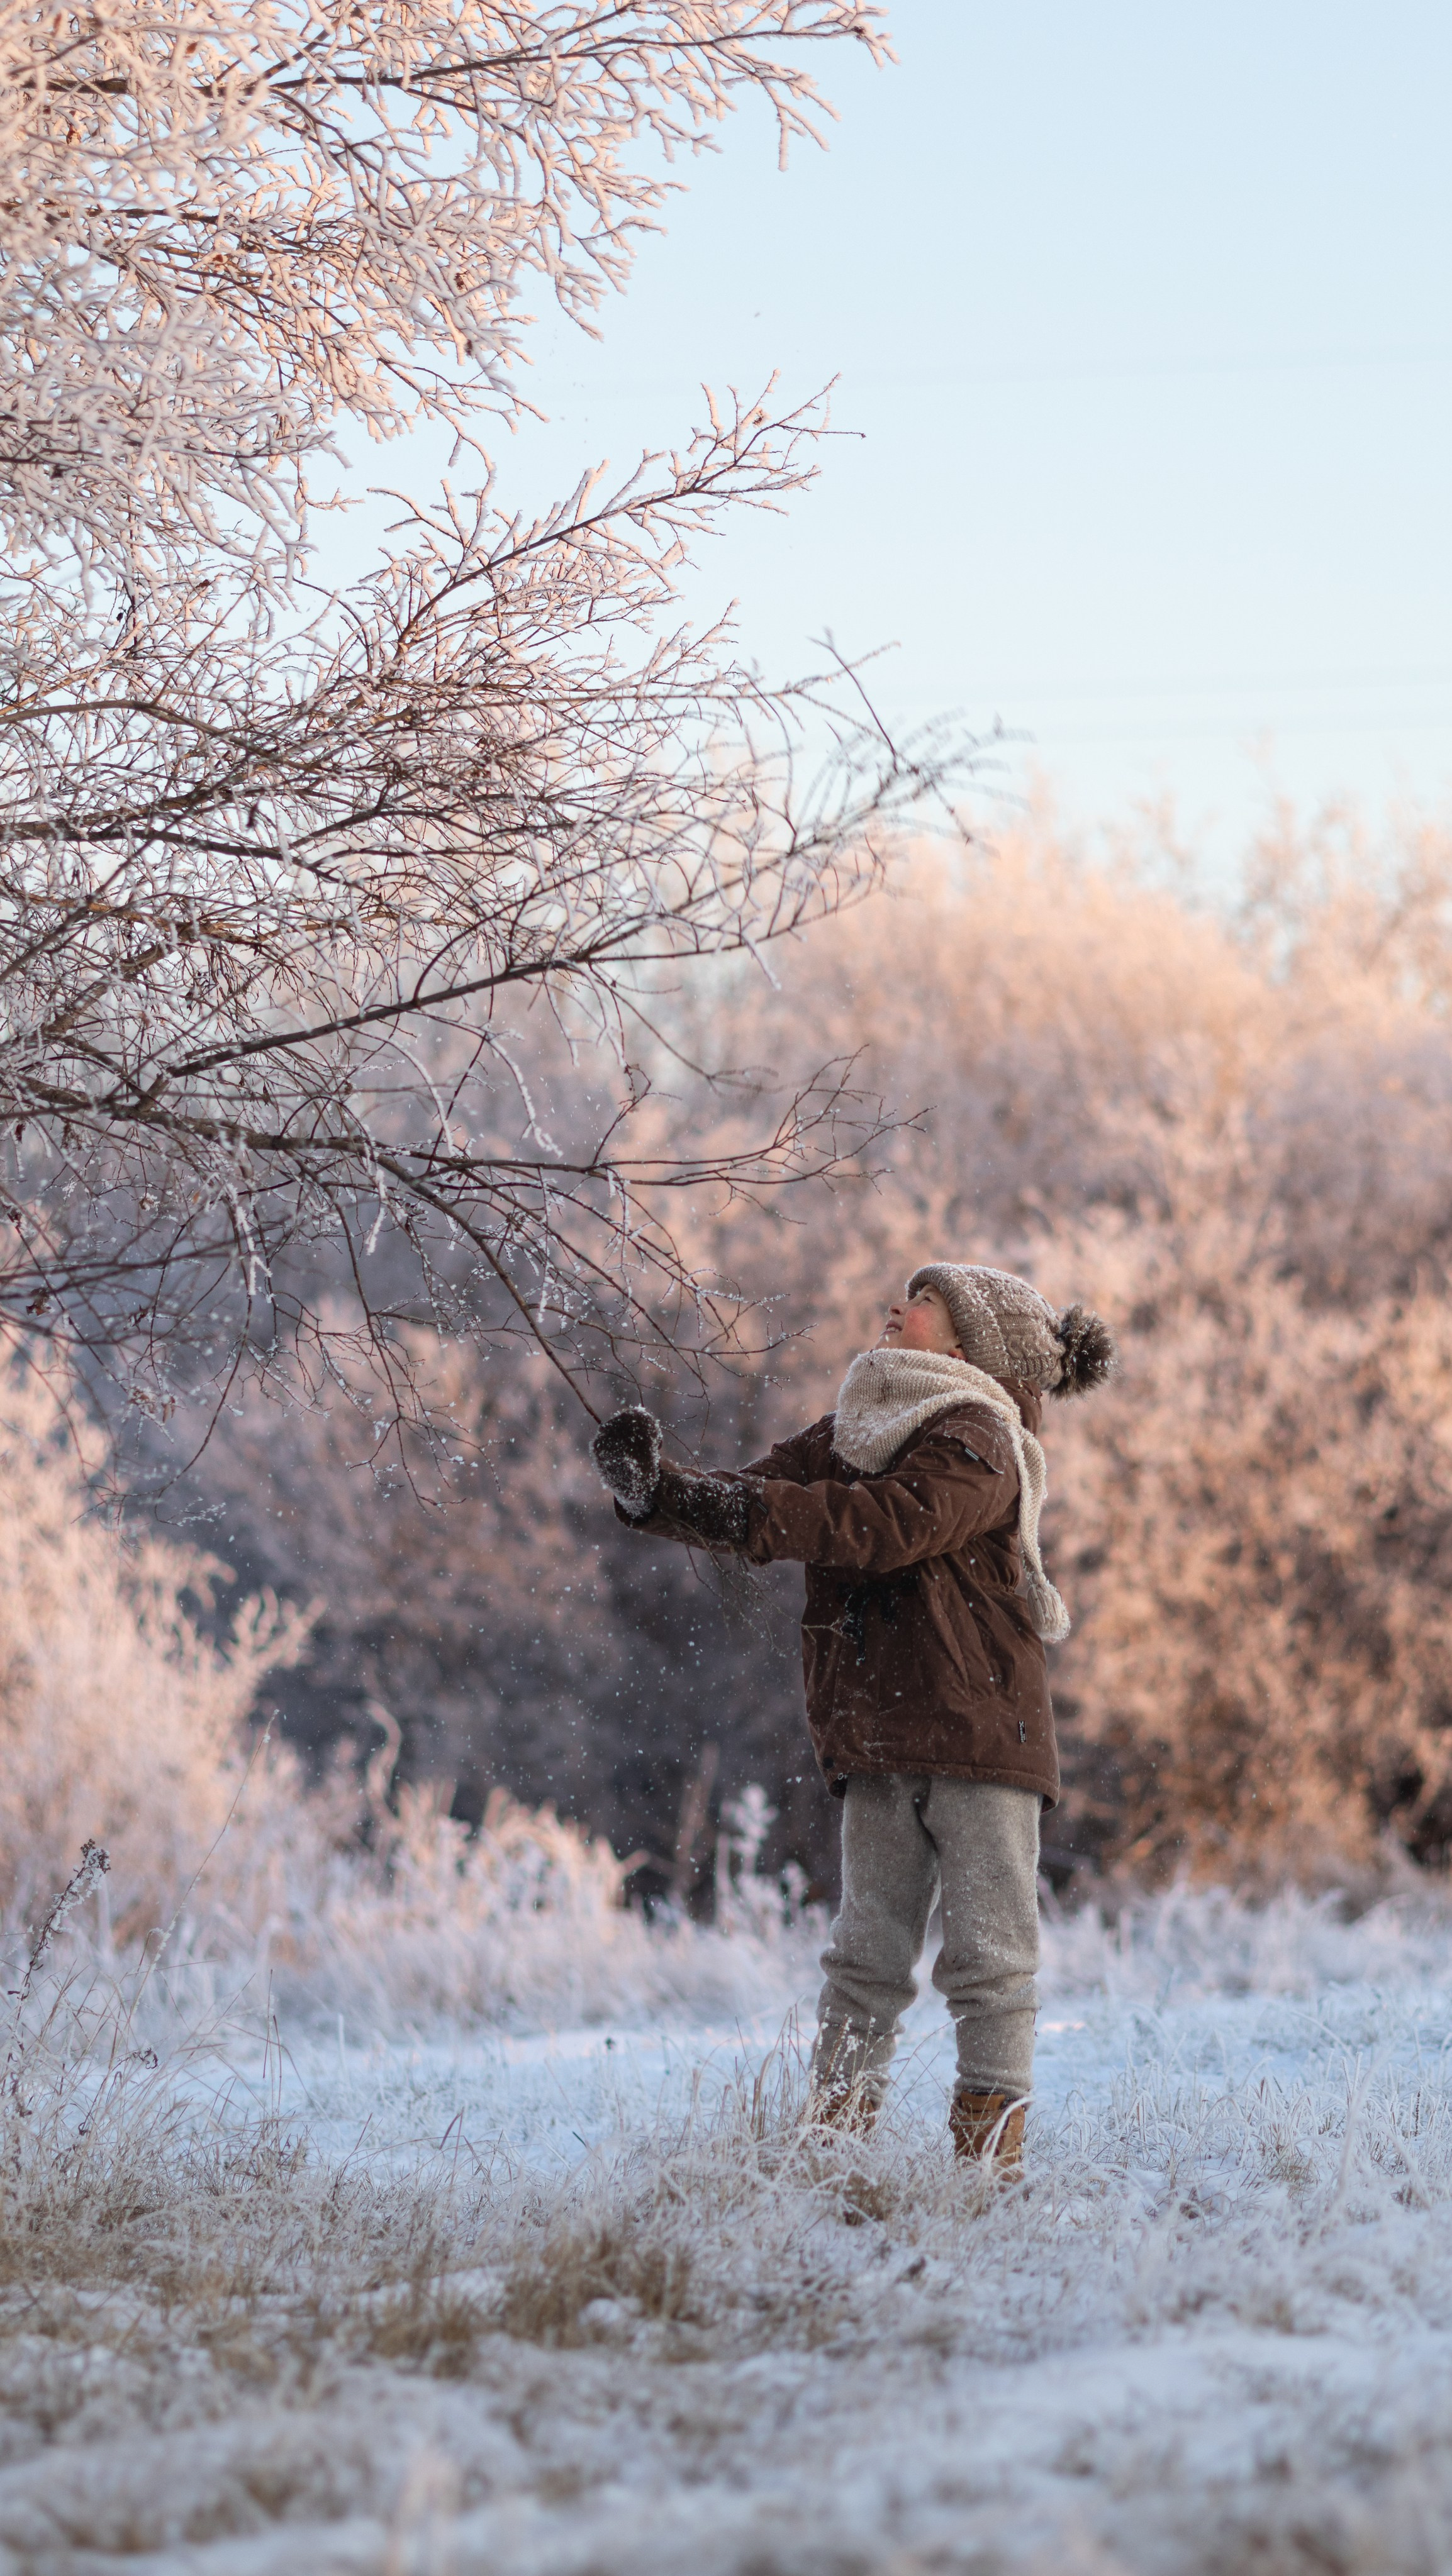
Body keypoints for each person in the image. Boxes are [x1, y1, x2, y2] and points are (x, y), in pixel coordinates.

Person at [589, 1262, 1116, 2173]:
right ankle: (829, 2149)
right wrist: (658, 1493)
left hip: (982, 1738)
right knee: (864, 1957)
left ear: (964, 1346)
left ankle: (988, 2168)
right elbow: (755, 1502)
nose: (894, 1307)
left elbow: (883, 1526)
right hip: (877, 1733)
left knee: (991, 1960)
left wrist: (760, 1509)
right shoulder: (854, 1428)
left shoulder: (981, 1435)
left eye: (921, 1301)